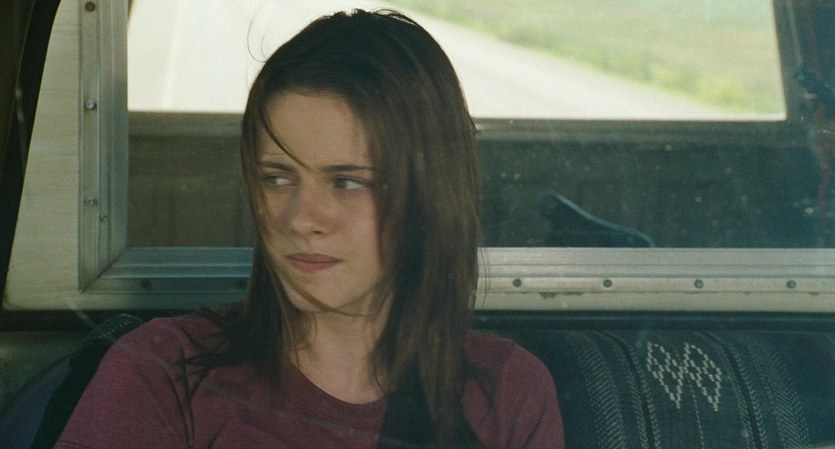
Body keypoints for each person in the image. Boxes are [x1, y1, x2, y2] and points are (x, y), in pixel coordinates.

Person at [54, 9, 563, 449]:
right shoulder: (164, 372)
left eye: (347, 182)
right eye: (278, 178)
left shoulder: (505, 393)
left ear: (427, 196)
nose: (300, 218)